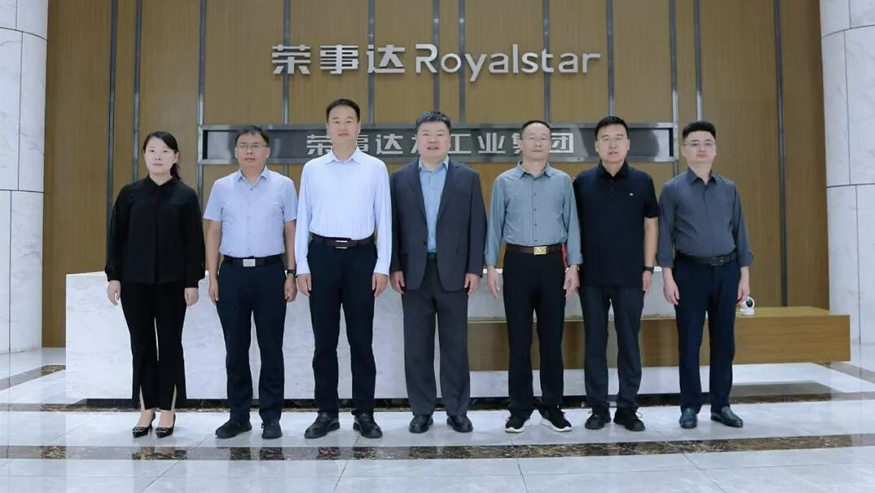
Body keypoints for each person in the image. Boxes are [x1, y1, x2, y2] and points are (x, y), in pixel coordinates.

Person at [296, 98, 391, 440]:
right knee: (324, 341)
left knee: (361, 340)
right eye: (336, 120)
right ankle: (327, 412)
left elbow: (384, 219)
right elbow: (303, 217)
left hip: (361, 257)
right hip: (321, 257)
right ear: (327, 128)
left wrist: (382, 265)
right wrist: (301, 265)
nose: (342, 126)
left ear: (359, 127)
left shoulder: (375, 168)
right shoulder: (312, 168)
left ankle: (364, 412)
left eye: (349, 120)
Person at [390, 110, 486, 434]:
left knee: (455, 347)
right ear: (416, 140)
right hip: (413, 273)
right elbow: (392, 226)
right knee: (416, 347)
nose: (433, 140)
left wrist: (474, 268)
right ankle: (422, 410)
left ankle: (457, 410)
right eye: (426, 134)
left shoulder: (467, 178)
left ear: (449, 140)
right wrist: (394, 266)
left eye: (439, 134)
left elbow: (477, 225)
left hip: (455, 273)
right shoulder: (399, 178)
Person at [106, 131, 205, 439]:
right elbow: (116, 238)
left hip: (173, 284)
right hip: (134, 283)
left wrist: (192, 282)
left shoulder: (185, 196)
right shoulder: (130, 194)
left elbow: (193, 243)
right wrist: (114, 277)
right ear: (144, 156)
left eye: (164, 151)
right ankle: (146, 408)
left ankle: (168, 410)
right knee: (142, 345)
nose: (158, 156)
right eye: (152, 150)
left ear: (176, 157)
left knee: (170, 345)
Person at [485, 120, 581, 433]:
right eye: (531, 137)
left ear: (550, 144)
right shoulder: (504, 182)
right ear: (521, 142)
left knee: (552, 341)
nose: (537, 143)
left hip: (553, 264)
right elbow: (494, 226)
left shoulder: (563, 181)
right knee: (519, 341)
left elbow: (573, 224)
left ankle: (552, 407)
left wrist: (574, 265)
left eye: (543, 138)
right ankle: (520, 408)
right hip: (517, 263)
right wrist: (490, 266)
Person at [204, 126, 298, 440]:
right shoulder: (221, 186)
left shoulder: (284, 186)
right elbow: (214, 231)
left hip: (271, 273)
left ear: (267, 151)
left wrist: (291, 273)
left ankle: (271, 417)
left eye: (256, 146)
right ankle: (238, 416)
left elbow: (291, 230)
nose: (249, 151)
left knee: (271, 348)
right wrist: (213, 276)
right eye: (243, 145)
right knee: (235, 350)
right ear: (236, 152)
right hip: (232, 274)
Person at [657, 120, 752, 429]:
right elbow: (664, 236)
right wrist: (667, 277)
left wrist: (744, 276)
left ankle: (721, 405)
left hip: (727, 271)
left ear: (715, 149)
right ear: (684, 150)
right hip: (689, 272)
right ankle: (689, 406)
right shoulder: (672, 189)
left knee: (724, 342)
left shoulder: (729, 188)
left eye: (707, 143)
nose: (701, 148)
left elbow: (740, 233)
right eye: (694, 143)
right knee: (689, 341)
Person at [573, 116, 658, 432]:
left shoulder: (643, 181)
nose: (612, 144)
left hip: (630, 276)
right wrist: (573, 267)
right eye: (606, 139)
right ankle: (598, 407)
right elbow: (572, 229)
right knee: (595, 343)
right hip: (591, 277)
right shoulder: (582, 182)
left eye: (618, 138)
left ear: (628, 144)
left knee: (629, 342)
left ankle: (627, 407)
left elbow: (651, 226)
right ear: (596, 146)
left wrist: (648, 268)